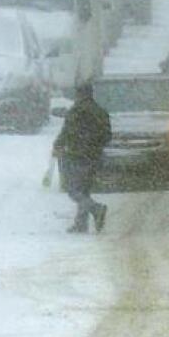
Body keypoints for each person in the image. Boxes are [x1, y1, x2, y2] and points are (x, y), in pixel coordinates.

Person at [53, 83, 112, 233]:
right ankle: (81, 223)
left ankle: (96, 209)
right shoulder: (100, 111)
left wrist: (58, 145)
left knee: (73, 190)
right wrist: (95, 146)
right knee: (84, 189)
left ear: (79, 94)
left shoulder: (76, 111)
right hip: (95, 156)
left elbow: (66, 131)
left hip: (77, 154)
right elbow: (107, 136)